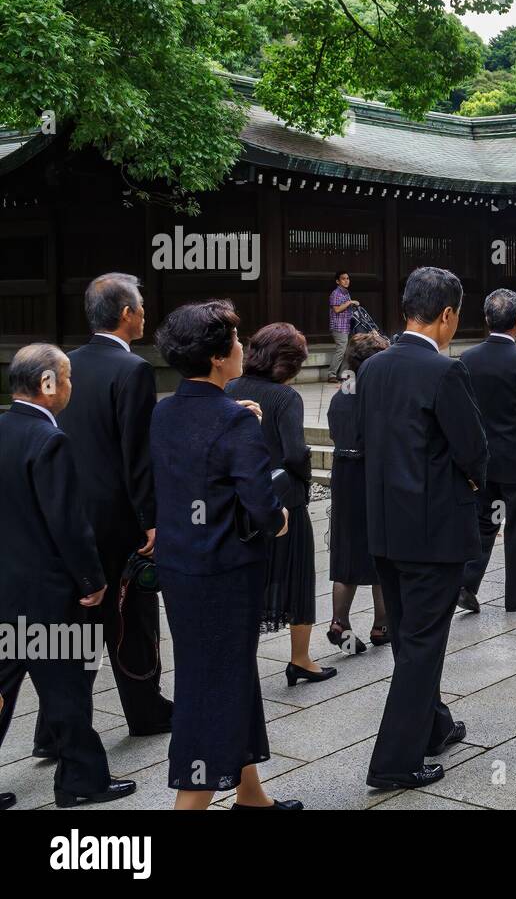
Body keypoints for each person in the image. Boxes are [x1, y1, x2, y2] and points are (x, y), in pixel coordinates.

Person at [151, 303, 297, 810]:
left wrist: (243, 417)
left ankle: (251, 793)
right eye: (235, 342)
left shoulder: (164, 409)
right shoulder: (234, 423)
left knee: (223, 671)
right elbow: (261, 505)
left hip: (179, 566)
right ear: (217, 358)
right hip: (226, 573)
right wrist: (279, 520)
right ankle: (189, 805)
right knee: (211, 687)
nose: (242, 348)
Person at [32, 274, 171, 760]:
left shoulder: (63, 363)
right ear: (126, 314)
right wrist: (151, 519)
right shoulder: (132, 369)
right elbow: (137, 454)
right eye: (140, 306)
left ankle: (51, 729)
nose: (144, 313)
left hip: (69, 512)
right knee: (131, 615)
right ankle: (145, 708)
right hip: (117, 517)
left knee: (78, 623)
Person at [358, 267, 488, 790]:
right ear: (448, 314)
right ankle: (393, 760)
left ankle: (433, 725)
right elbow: (473, 449)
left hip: (387, 525)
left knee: (411, 634)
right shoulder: (444, 373)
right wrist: (476, 484)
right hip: (433, 530)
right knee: (423, 644)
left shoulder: (372, 368)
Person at [0, 344, 137, 808]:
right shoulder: (49, 440)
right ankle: (81, 780)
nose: (72, 386)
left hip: (5, 589)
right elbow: (68, 524)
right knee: (67, 686)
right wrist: (93, 580)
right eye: (68, 377)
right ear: (47, 384)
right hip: (49, 593)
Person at [227, 324, 336, 687]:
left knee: (249, 578)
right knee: (298, 575)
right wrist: (304, 480)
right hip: (284, 498)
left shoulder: (230, 388)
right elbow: (294, 452)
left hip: (243, 502)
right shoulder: (285, 398)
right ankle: (300, 658)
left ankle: (241, 659)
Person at [458, 289, 516, 614]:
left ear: (486, 319)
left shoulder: (467, 359)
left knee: (485, 521)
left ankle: (467, 583)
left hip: (483, 459)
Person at [327, 332, 391, 654]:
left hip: (343, 474)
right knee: (380, 551)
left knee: (346, 551)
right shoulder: (377, 397)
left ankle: (340, 620)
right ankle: (382, 625)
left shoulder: (340, 396)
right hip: (370, 475)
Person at [329, 271, 360, 382]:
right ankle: (331, 374)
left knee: (347, 350)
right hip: (338, 327)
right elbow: (336, 309)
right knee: (341, 349)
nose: (346, 281)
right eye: (343, 279)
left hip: (346, 326)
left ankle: (342, 374)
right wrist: (349, 302)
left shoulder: (346, 293)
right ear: (338, 281)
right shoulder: (336, 293)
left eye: (347, 278)